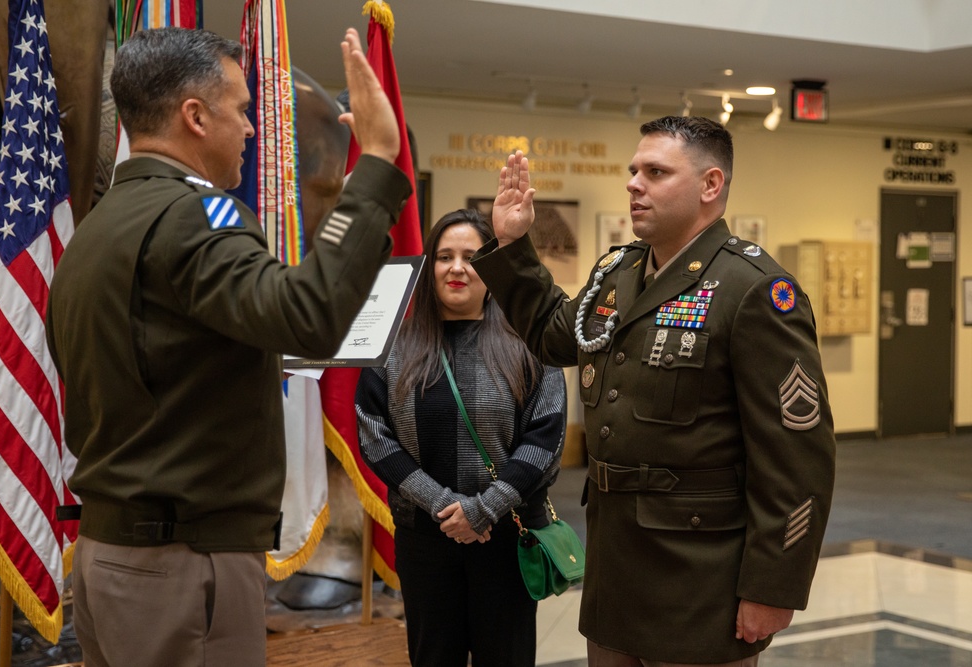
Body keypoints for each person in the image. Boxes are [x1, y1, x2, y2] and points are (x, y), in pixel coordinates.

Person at [44, 26, 411, 667]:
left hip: (114, 555)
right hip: (183, 568)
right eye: (241, 110)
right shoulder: (193, 215)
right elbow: (308, 316)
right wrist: (377, 161)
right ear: (194, 115)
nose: (250, 129)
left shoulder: (100, 222)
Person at [472, 116, 837, 667]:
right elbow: (552, 336)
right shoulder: (617, 273)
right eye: (633, 170)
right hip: (617, 567)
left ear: (710, 186)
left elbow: (797, 460)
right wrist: (512, 245)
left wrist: (773, 588)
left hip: (700, 575)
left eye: (656, 172)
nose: (634, 183)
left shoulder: (753, 289)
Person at [355, 209, 568, 667]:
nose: (456, 267)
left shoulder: (530, 344)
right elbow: (375, 437)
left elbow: (545, 439)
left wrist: (483, 508)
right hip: (424, 541)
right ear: (427, 266)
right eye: (444, 256)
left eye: (471, 257)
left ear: (490, 268)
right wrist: (442, 503)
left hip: (507, 538)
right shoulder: (392, 346)